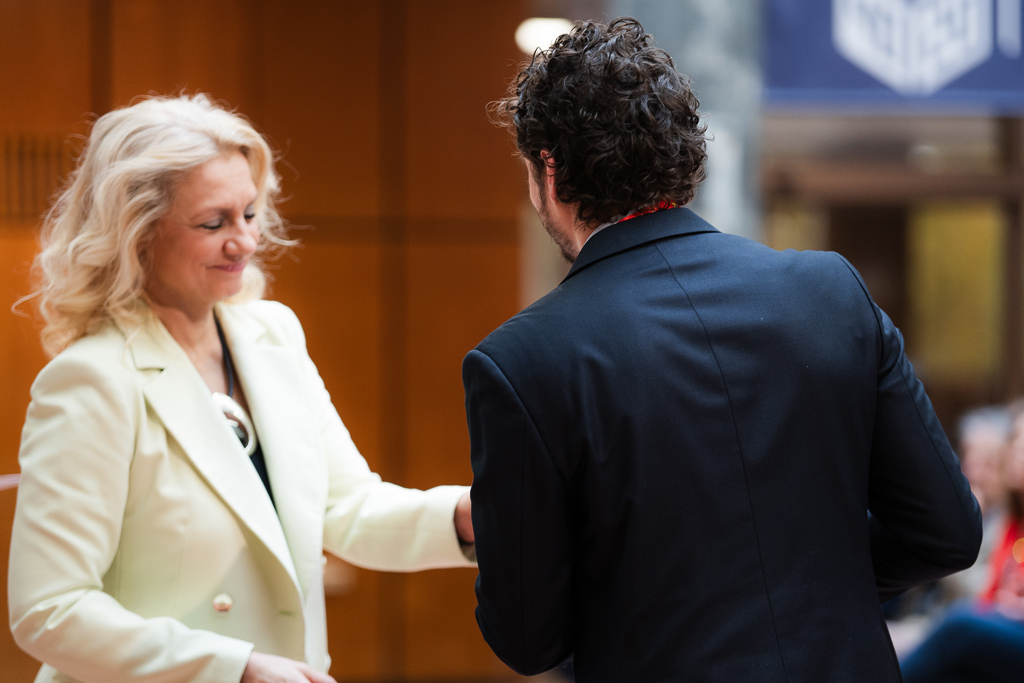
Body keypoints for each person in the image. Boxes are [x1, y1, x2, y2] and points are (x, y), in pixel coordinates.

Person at [463, 18, 981, 682]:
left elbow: (527, 636)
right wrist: (815, 581)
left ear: (551, 172)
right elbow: (946, 530)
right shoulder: (832, 293)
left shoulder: (520, 362)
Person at [8, 94, 475, 683]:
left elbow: (343, 508)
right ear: (137, 232)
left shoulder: (273, 334)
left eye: (250, 214)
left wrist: (467, 517)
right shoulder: (92, 379)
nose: (246, 242)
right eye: (214, 223)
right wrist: (235, 668)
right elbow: (49, 609)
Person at [900, 402, 1024, 682]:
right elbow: (989, 595)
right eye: (1015, 439)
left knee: (960, 626)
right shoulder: (1013, 523)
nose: (1017, 450)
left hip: (987, 623)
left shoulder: (994, 518)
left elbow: (973, 601)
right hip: (989, 621)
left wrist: (958, 530)